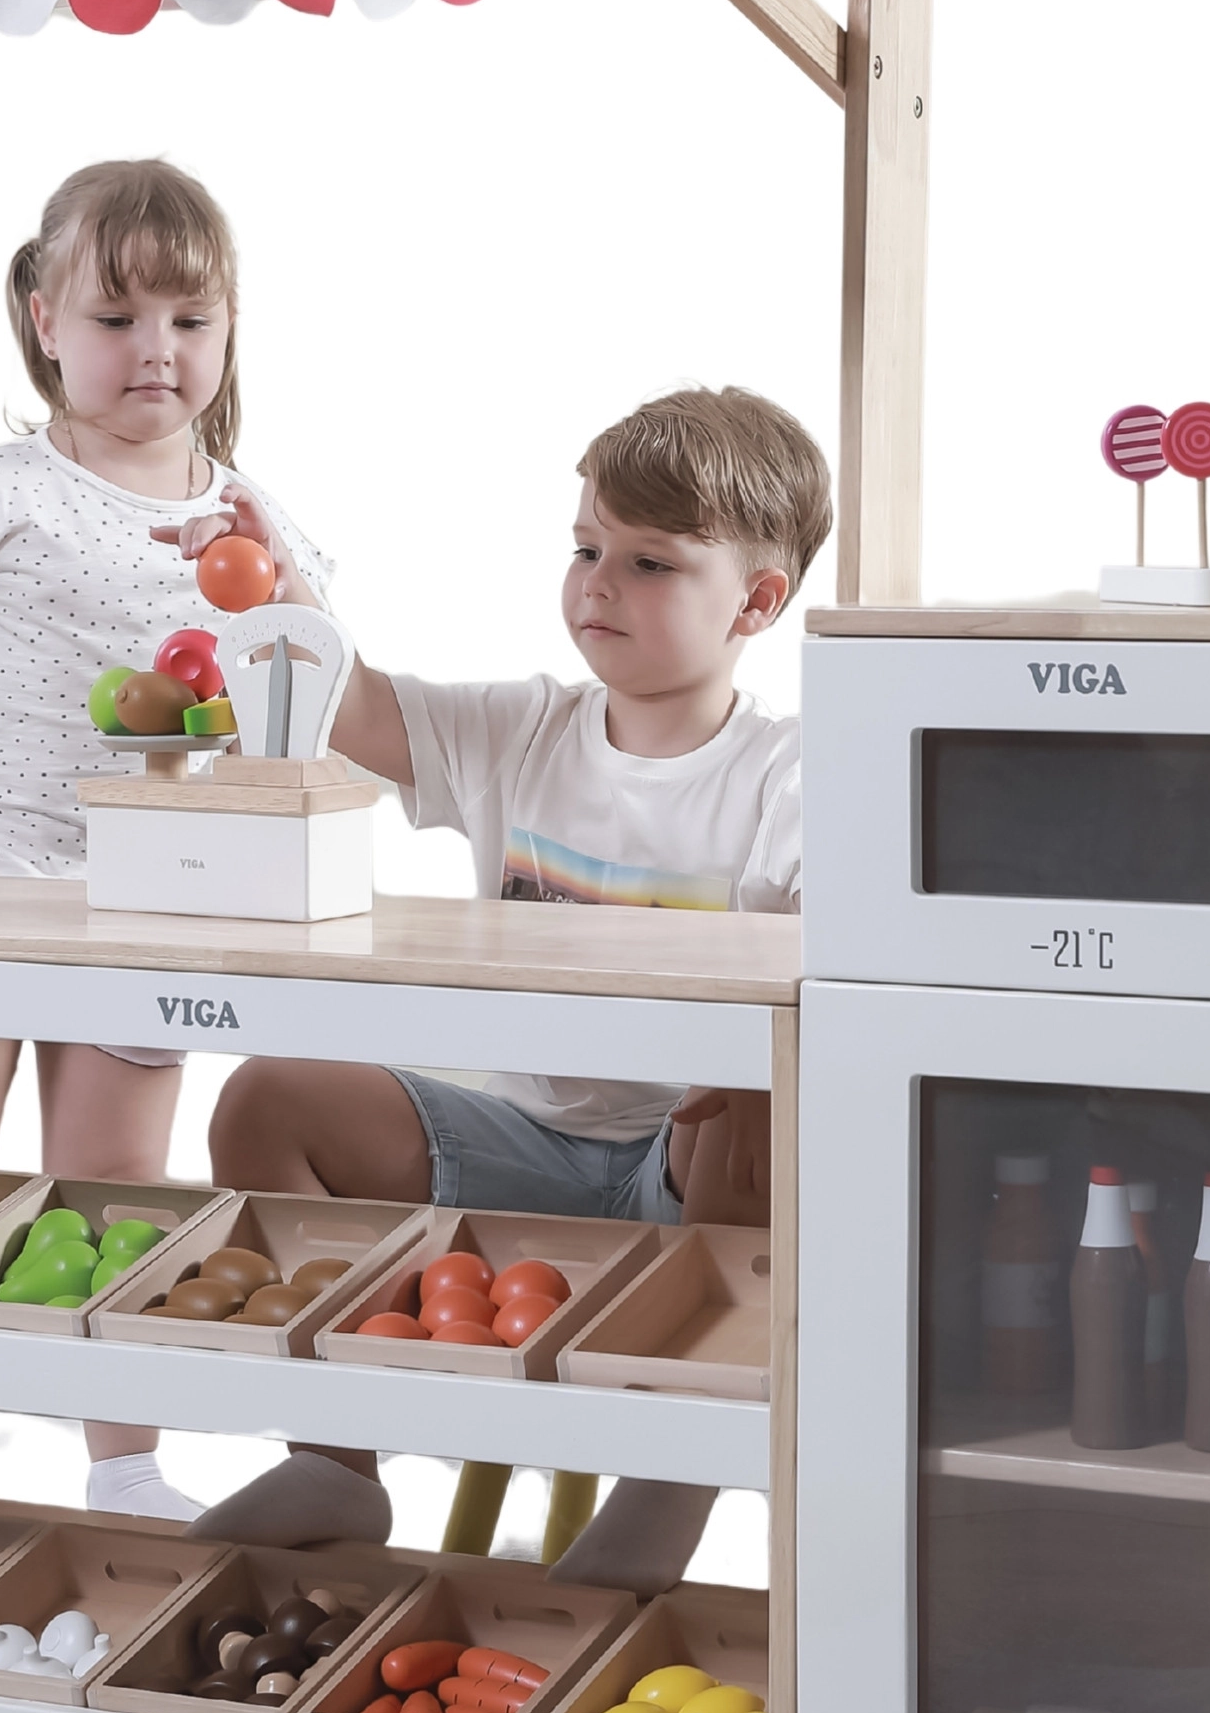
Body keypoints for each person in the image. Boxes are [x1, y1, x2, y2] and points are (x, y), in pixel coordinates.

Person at [188, 384, 827, 1585]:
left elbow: (830, 947)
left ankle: (670, 1479)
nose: (598, 584)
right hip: (518, 1139)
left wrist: (747, 1046)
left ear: (755, 601)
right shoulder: (522, 732)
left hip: (684, 1175)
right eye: (586, 549)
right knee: (267, 1095)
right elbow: (357, 707)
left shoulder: (787, 773)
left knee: (755, 1094)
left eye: (649, 562)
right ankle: (335, 1458)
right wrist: (285, 592)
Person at [0, 157, 332, 1522]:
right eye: (117, 317)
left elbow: (312, 699)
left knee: (120, 1184)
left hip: (141, 900)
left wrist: (282, 579)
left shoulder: (249, 521)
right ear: (43, 319)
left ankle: (124, 1461)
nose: (158, 350)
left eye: (191, 320)